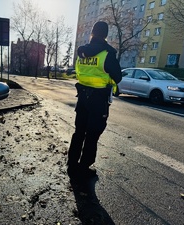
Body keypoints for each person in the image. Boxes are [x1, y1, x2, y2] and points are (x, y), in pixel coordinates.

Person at [67, 21, 122, 181]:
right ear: (105, 35)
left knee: (79, 132)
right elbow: (117, 77)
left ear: (92, 33)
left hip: (83, 97)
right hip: (98, 100)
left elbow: (78, 73)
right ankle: (84, 168)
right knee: (92, 135)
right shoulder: (107, 54)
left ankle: (72, 165)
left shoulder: (81, 53)